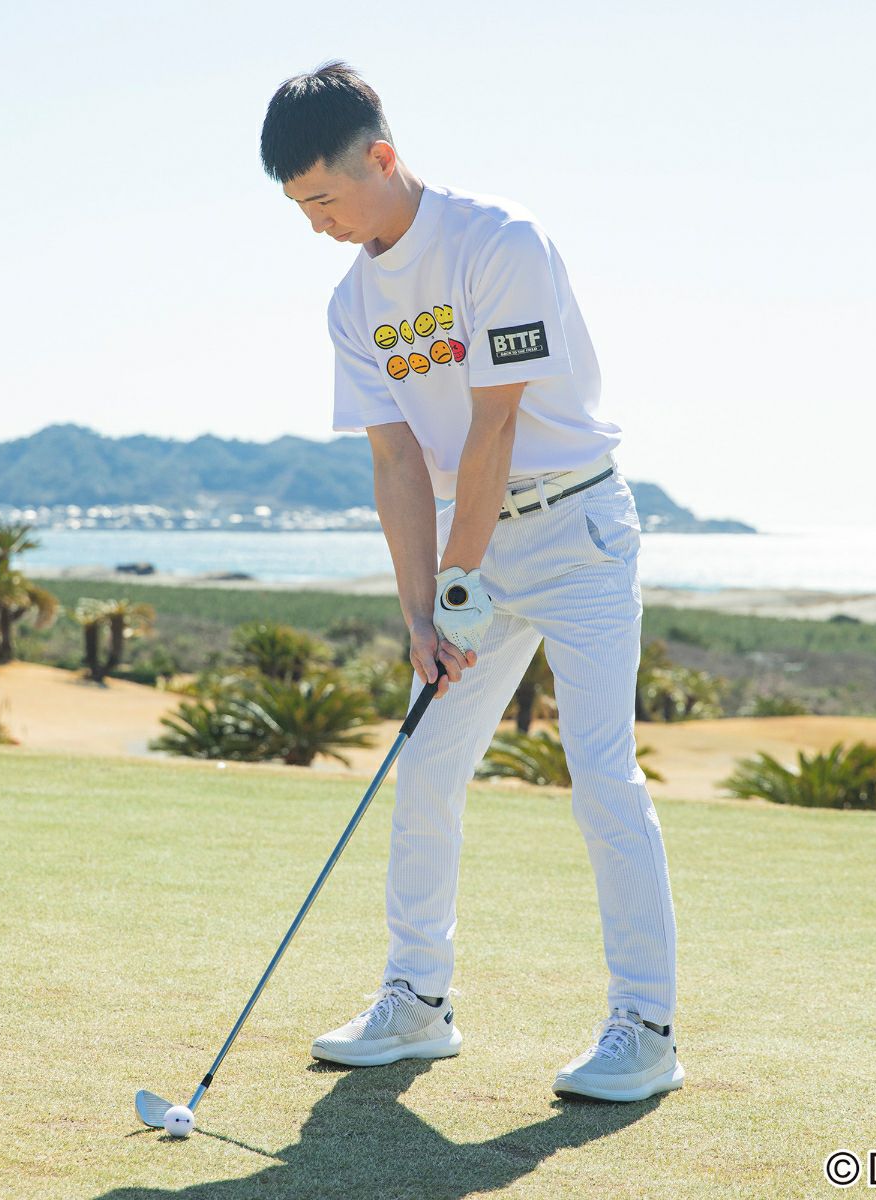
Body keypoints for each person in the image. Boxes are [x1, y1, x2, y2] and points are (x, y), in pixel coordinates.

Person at [259, 61, 682, 1103]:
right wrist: (421, 611)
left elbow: (496, 424)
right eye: (300, 208)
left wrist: (457, 585)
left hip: (577, 531)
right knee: (427, 763)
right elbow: (398, 462)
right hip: (473, 545)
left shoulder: (500, 240)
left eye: (324, 199)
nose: (317, 225)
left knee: (601, 774)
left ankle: (646, 1028)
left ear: (382, 158)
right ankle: (418, 1002)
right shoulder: (352, 303)